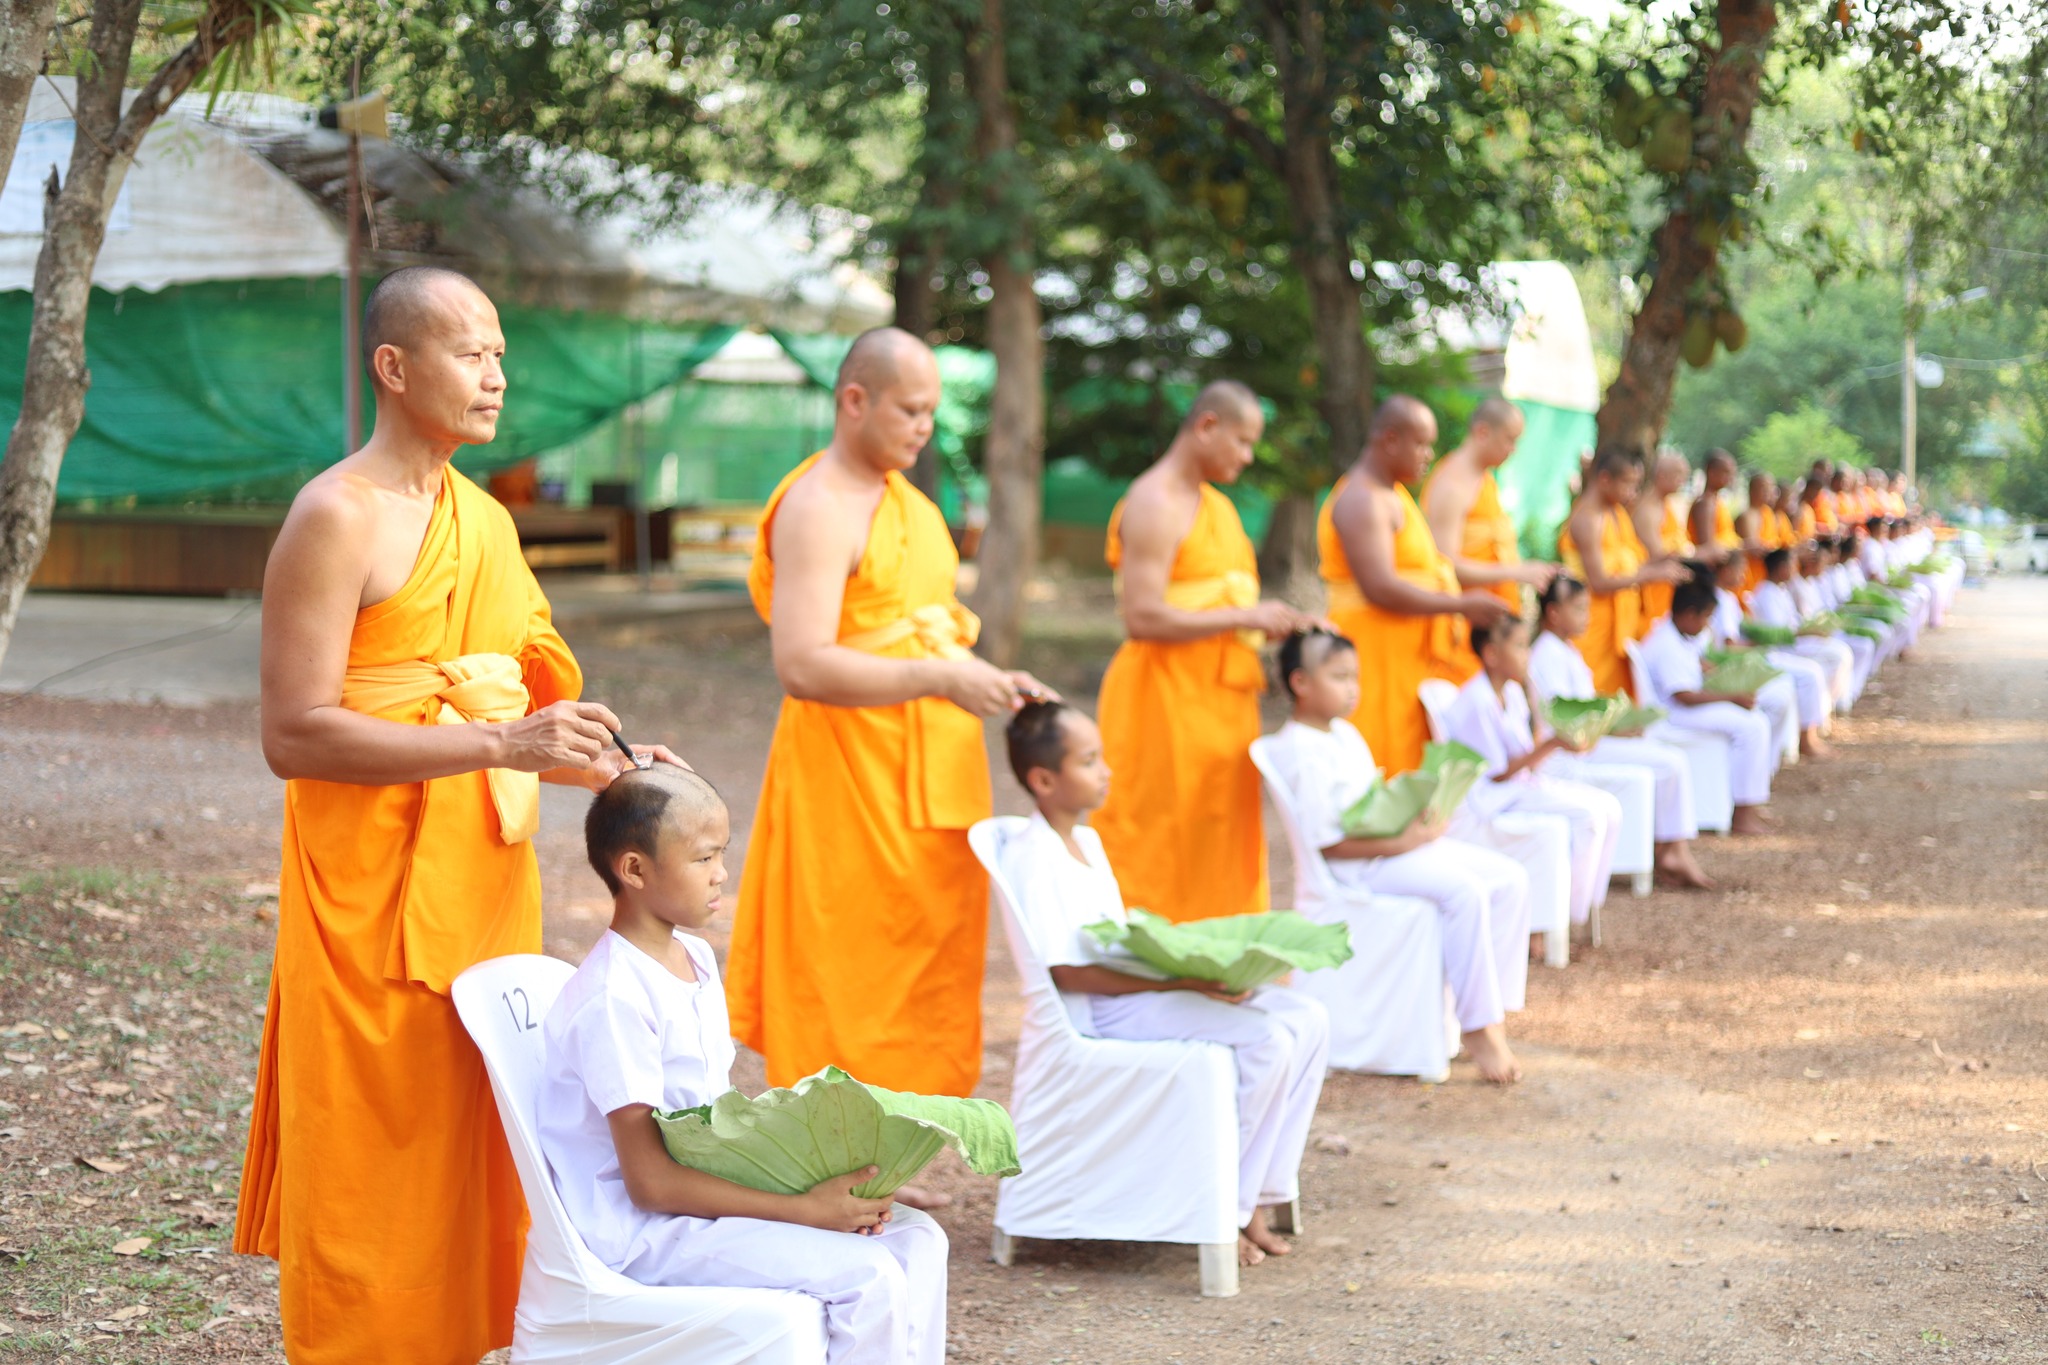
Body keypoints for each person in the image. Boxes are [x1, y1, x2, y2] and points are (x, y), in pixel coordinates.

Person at [237, 267, 681, 1363]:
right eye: (471, 353)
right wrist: (502, 745)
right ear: (393, 367)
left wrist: (602, 764)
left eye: (499, 356)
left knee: (479, 1130)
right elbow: (294, 734)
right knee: (371, 1146)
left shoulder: (483, 520)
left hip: (481, 880)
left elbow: (507, 708)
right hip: (365, 899)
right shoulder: (336, 514)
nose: (496, 377)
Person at [727, 327, 1053, 1109]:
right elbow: (802, 663)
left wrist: (983, 676)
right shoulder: (819, 506)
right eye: (910, 410)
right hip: (848, 772)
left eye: (932, 412)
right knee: (846, 960)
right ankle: (836, 1142)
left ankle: (903, 1130)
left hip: (933, 773)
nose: (924, 427)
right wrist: (940, 675)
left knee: (928, 959)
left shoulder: (912, 506)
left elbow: (919, 627)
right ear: (854, 400)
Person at [542, 768, 948, 1364]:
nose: (721, 873)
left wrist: (827, 1177)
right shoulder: (613, 998)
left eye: (722, 853)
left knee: (918, 1240)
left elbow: (717, 1122)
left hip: (703, 1193)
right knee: (870, 1274)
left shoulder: (694, 957)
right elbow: (650, 1184)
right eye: (703, 857)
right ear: (634, 870)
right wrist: (804, 1210)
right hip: (643, 1230)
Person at [999, 701, 1329, 1264]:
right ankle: (1230, 1211)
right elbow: (1066, 971)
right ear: (1044, 780)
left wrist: (1200, 968)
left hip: (1134, 989)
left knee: (1308, 1018)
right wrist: (1180, 982)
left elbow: (1114, 938)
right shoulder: (1036, 856)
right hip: (1099, 1008)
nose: (1105, 771)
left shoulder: (1088, 842)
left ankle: (1262, 1189)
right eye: (1089, 761)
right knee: (1266, 1040)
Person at [1261, 630, 1532, 1084]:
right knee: (1464, 893)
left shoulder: (1344, 733)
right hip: (1359, 868)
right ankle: (1479, 1029)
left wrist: (1419, 816)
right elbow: (1330, 845)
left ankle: (1492, 1009)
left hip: (1393, 849)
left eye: (1355, 677)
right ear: (1300, 682)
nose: (1352, 688)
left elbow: (1370, 803)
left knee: (1509, 879)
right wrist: (1406, 842)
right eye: (1339, 677)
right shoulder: (1301, 751)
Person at [1092, 381, 1312, 922]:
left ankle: (1220, 952)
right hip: (1163, 698)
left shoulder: (1217, 507)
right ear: (1207, 426)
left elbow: (1219, 604)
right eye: (1243, 440)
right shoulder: (1155, 500)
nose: (1248, 456)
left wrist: (1281, 624)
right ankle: (1151, 954)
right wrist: (1245, 616)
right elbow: (1142, 617)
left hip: (1223, 701)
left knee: (1220, 831)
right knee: (1160, 832)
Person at [1320, 395, 1511, 775]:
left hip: (1406, 653)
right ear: (1391, 440)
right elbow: (1379, 587)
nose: (1428, 455)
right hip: (1376, 653)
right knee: (1381, 760)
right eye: (1421, 444)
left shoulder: (1393, 493)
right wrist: (1460, 605)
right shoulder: (1362, 498)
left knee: (1412, 756)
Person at [1529, 576, 1713, 888]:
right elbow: (1566, 720)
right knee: (1671, 762)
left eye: (1587, 608)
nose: (1587, 617)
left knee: (1669, 757)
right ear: (1554, 613)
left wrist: (1618, 727)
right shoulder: (1546, 654)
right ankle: (1672, 851)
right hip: (1569, 755)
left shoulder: (1565, 649)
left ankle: (1671, 848)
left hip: (1589, 745)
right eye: (1579, 609)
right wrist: (1612, 730)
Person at [1443, 615, 1623, 929]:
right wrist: (1553, 744)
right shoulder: (1477, 700)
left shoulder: (1512, 692)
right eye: (1520, 646)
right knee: (1588, 817)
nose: (1527, 655)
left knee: (1609, 807)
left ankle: (1583, 908)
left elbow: (1524, 754)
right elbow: (1497, 773)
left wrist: (1559, 737)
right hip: (1490, 798)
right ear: (1491, 654)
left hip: (1519, 785)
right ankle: (1566, 920)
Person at [1635, 579, 1775, 834]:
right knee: (1751, 727)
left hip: (1687, 707)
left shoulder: (1681, 633)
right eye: (1706, 617)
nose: (1708, 624)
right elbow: (1684, 696)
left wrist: (1731, 677)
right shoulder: (1665, 643)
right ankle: (1743, 813)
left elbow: (1697, 663)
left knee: (1756, 720)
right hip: (1674, 714)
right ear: (1690, 614)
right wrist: (1731, 697)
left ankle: (1747, 804)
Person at [1561, 447, 1690, 695]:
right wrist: (1651, 575)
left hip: (1621, 626)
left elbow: (1632, 563)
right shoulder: (1587, 519)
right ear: (1605, 479)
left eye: (1636, 484)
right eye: (1628, 483)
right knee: (1592, 695)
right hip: (1591, 623)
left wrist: (1667, 563)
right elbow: (1599, 582)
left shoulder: (1617, 513)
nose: (1633, 491)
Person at [1420, 396, 1559, 610]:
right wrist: (1516, 572)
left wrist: (1535, 571)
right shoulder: (1452, 486)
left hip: (1495, 613)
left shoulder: (1484, 478)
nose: (1513, 450)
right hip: (1466, 613)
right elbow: (1446, 565)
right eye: (1509, 440)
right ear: (1483, 432)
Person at [1707, 555, 1823, 760]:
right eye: (1740, 570)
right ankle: (1803, 741)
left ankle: (1790, 746)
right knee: (1805, 677)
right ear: (1725, 571)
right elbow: (1730, 646)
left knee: (1802, 677)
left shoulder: (1729, 597)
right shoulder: (1721, 600)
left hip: (1757, 654)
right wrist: (1758, 650)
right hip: (1738, 663)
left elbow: (1750, 631)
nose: (1744, 576)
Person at [1751, 548, 1864, 713]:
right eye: (1792, 564)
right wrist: (1809, 631)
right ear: (1782, 567)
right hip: (1783, 647)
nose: (1794, 569)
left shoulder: (1780, 589)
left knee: (1841, 651)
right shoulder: (1766, 594)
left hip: (1797, 640)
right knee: (1836, 656)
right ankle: (1824, 711)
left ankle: (1832, 705)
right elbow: (1779, 633)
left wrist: (1814, 629)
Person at [1631, 450, 1694, 624]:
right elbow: (1655, 556)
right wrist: (1696, 555)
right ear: (1661, 476)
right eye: (1679, 475)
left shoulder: (1665, 504)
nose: (1682, 481)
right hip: (1651, 591)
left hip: (1668, 585)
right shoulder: (1648, 510)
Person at [1687, 449, 1743, 568]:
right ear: (1711, 472)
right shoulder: (1705, 504)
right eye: (1726, 472)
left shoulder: (1717, 501)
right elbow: (1708, 549)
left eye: (1732, 473)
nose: (1730, 478)